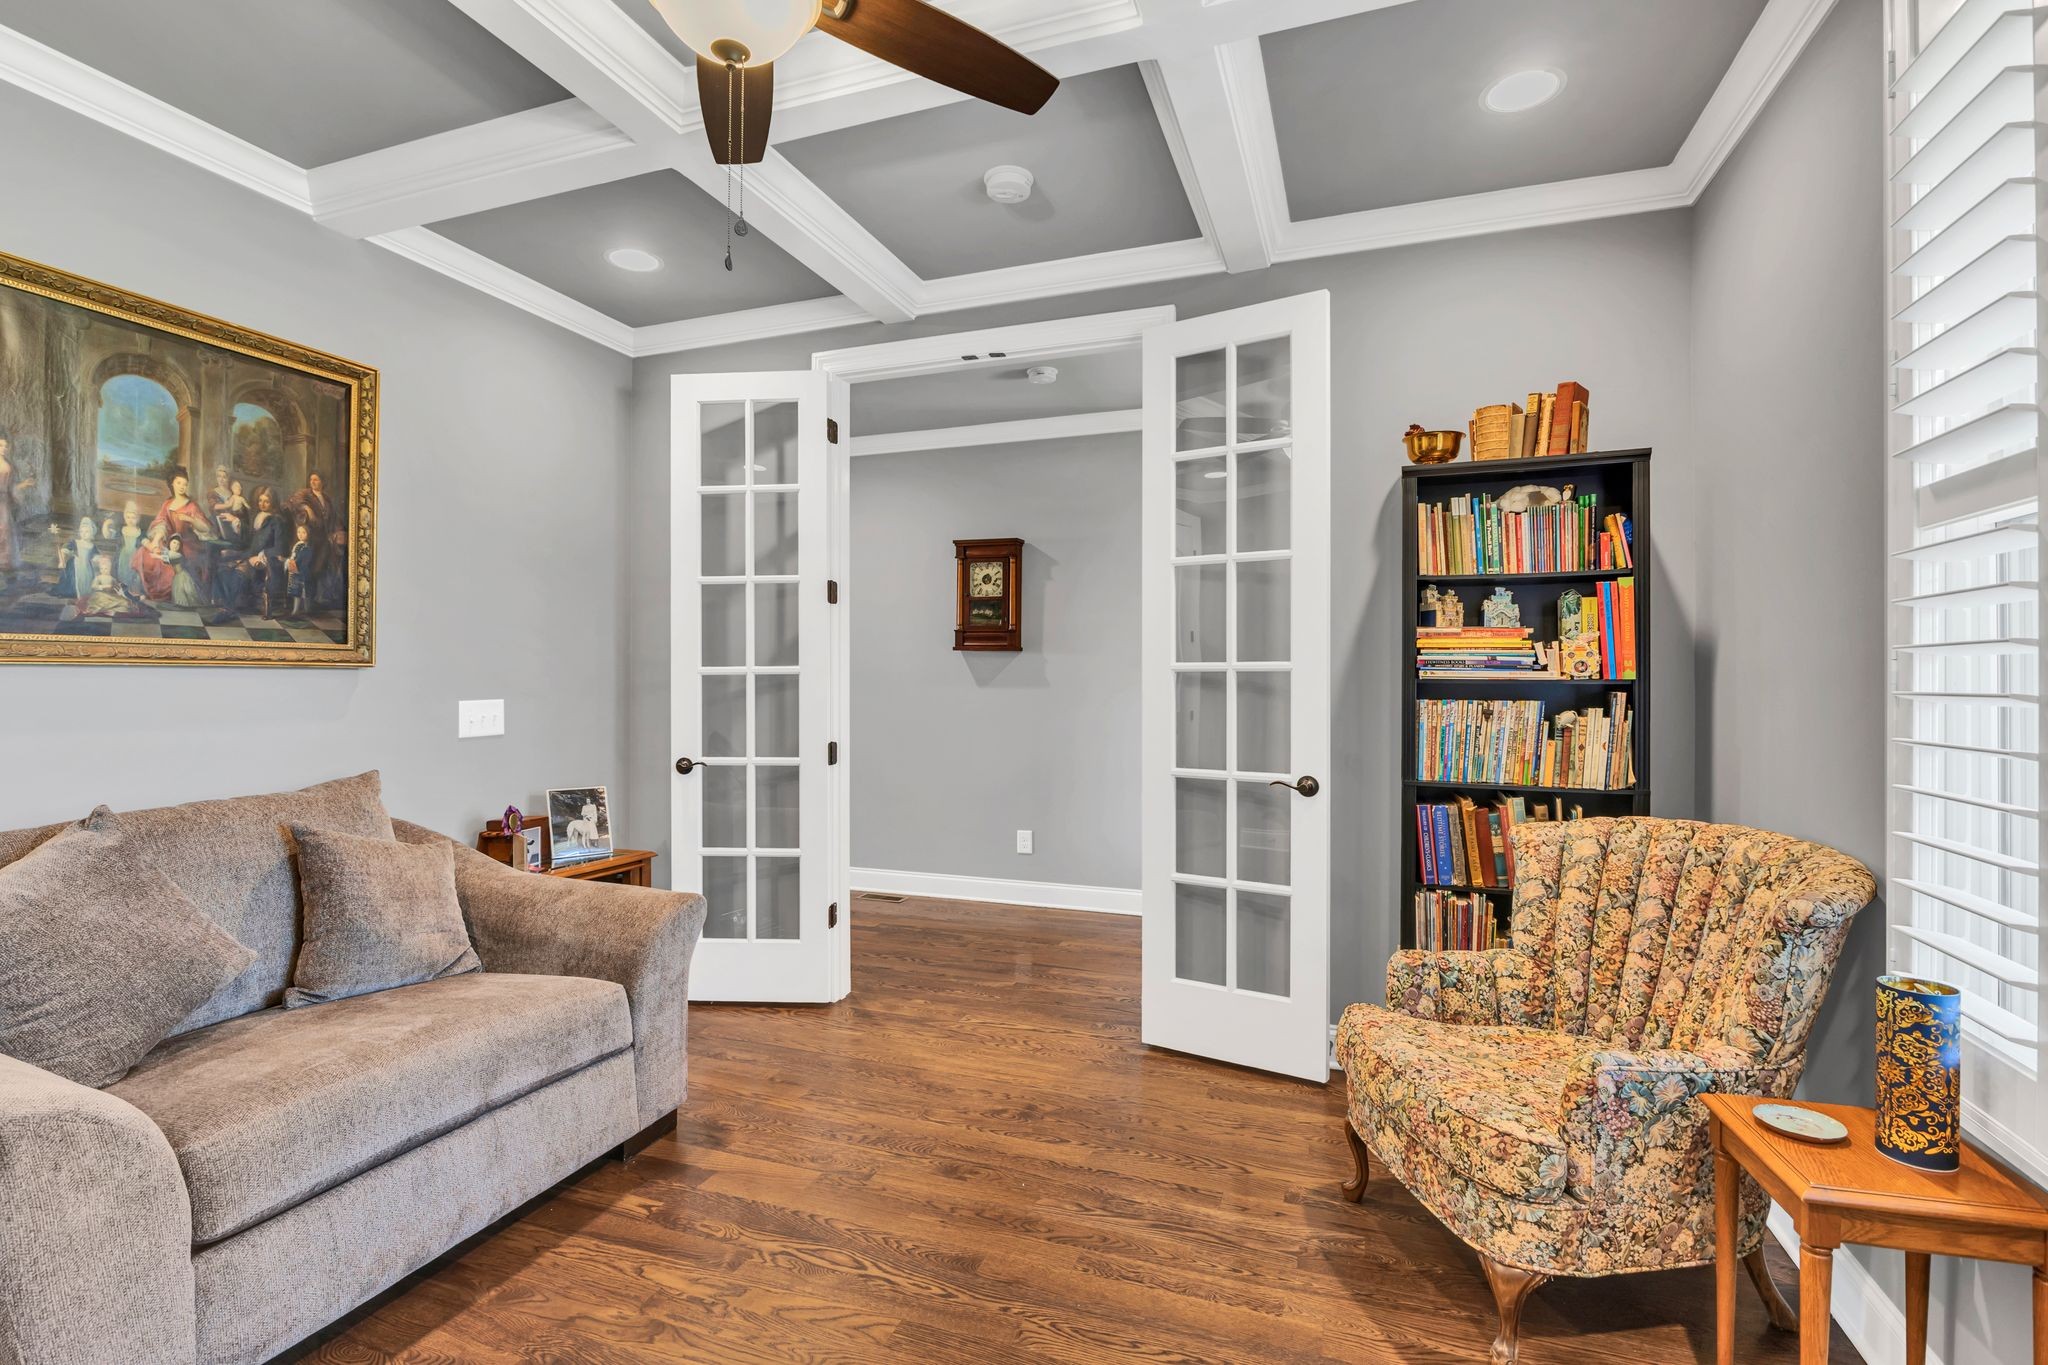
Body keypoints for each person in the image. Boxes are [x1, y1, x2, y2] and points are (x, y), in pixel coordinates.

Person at [243, 486, 288, 617]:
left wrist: (262, 554)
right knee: (231, 564)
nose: (262, 504)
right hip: (253, 555)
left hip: (270, 558)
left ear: (272, 503)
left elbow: (280, 547)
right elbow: (252, 542)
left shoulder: (277, 521)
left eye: (266, 501)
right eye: (260, 500)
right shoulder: (257, 518)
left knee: (242, 569)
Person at [0, 431, 35, 582]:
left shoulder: (8, 464)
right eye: (1, 445)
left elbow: (10, 488)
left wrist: (24, 484)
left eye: (5, 446)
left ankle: (3, 566)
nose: (3, 448)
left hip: (3, 503)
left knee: (4, 530)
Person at [54, 517, 96, 600]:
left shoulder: (92, 546)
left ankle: (84, 593)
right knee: (73, 581)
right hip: (75, 565)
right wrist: (62, 560)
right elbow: (64, 550)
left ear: (92, 533)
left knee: (87, 581)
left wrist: (99, 559)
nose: (84, 534)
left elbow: (95, 556)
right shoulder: (76, 542)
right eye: (82, 531)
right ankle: (72, 592)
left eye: (87, 532)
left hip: (87, 566)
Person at [129, 522, 174, 602]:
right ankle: (142, 593)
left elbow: (166, 556)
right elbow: (139, 558)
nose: (158, 537)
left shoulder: (163, 546)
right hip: (148, 566)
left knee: (169, 573)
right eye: (157, 534)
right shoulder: (145, 545)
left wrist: (161, 554)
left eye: (161, 536)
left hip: (160, 566)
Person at [166, 534, 203, 609]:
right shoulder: (167, 552)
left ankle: (193, 610)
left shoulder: (177, 554)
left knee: (190, 593)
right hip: (176, 577)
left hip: (183, 576)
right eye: (174, 542)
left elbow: (167, 557)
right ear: (169, 542)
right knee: (180, 596)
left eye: (178, 544)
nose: (176, 545)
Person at [285, 521, 313, 618]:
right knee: (296, 592)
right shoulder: (298, 545)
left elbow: (301, 559)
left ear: (308, 534)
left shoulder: (307, 547)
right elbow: (294, 557)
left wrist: (290, 561)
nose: (300, 535)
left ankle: (307, 610)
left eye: (303, 532)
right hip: (296, 571)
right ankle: (295, 610)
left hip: (303, 572)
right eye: (299, 532)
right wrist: (290, 561)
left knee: (305, 592)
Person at [115, 501, 144, 595]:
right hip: (123, 556)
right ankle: (122, 592)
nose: (130, 520)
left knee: (134, 574)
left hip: (135, 556)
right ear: (124, 517)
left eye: (133, 518)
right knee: (122, 572)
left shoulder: (139, 531)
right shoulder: (122, 530)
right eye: (128, 517)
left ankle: (132, 593)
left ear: (138, 518)